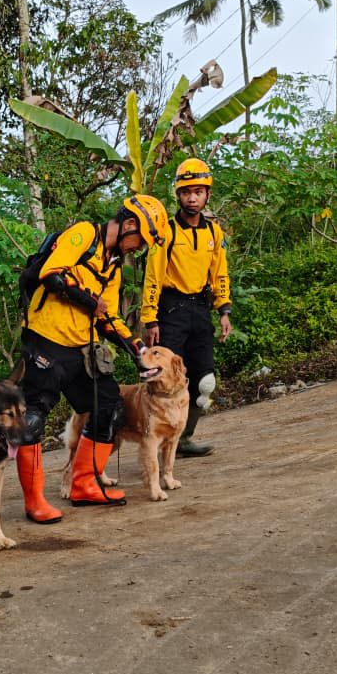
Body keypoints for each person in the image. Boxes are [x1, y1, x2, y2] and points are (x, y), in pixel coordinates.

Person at [15, 193, 168, 516]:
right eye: (139, 240)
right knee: (32, 417)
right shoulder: (84, 234)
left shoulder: (112, 267)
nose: (138, 248)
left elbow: (108, 315)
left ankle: (85, 484)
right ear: (129, 224)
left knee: (109, 404)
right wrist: (88, 301)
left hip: (78, 347)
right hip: (44, 340)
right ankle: (34, 502)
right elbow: (51, 274)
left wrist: (136, 346)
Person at [140, 158, 232, 457]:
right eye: (186, 192)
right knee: (165, 380)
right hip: (171, 310)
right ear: (178, 195)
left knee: (204, 383)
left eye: (199, 191)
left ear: (207, 194)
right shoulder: (165, 232)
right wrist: (149, 318)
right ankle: (158, 440)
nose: (192, 197)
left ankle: (184, 438)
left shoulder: (213, 233)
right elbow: (152, 276)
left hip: (200, 310)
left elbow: (219, 272)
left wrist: (224, 310)